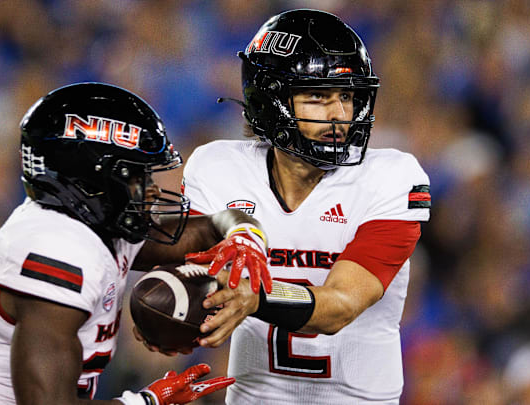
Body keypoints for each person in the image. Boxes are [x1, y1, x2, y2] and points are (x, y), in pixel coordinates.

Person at [0, 82, 272, 405]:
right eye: (135, 175)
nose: (150, 190)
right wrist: (146, 401)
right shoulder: (56, 248)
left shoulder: (93, 224)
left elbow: (203, 230)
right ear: (91, 178)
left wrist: (245, 236)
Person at [181, 9, 431, 404]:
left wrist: (255, 298)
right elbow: (189, 273)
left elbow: (342, 305)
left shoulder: (391, 178)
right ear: (269, 98)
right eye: (317, 95)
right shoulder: (218, 169)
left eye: (346, 96)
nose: (338, 115)